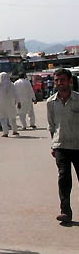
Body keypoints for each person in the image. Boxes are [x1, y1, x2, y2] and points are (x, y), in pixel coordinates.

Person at [46, 68, 79, 223]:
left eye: (62, 80)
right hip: (61, 145)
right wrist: (54, 145)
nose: (59, 83)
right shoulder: (50, 102)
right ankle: (65, 212)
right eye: (57, 80)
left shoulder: (78, 99)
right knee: (64, 179)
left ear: (70, 81)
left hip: (78, 145)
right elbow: (52, 125)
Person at [0, 72, 19, 137]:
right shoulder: (11, 84)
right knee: (12, 118)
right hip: (10, 104)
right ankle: (15, 131)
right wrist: (18, 102)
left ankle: (5, 133)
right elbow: (15, 94)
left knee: (2, 118)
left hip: (1, 104)